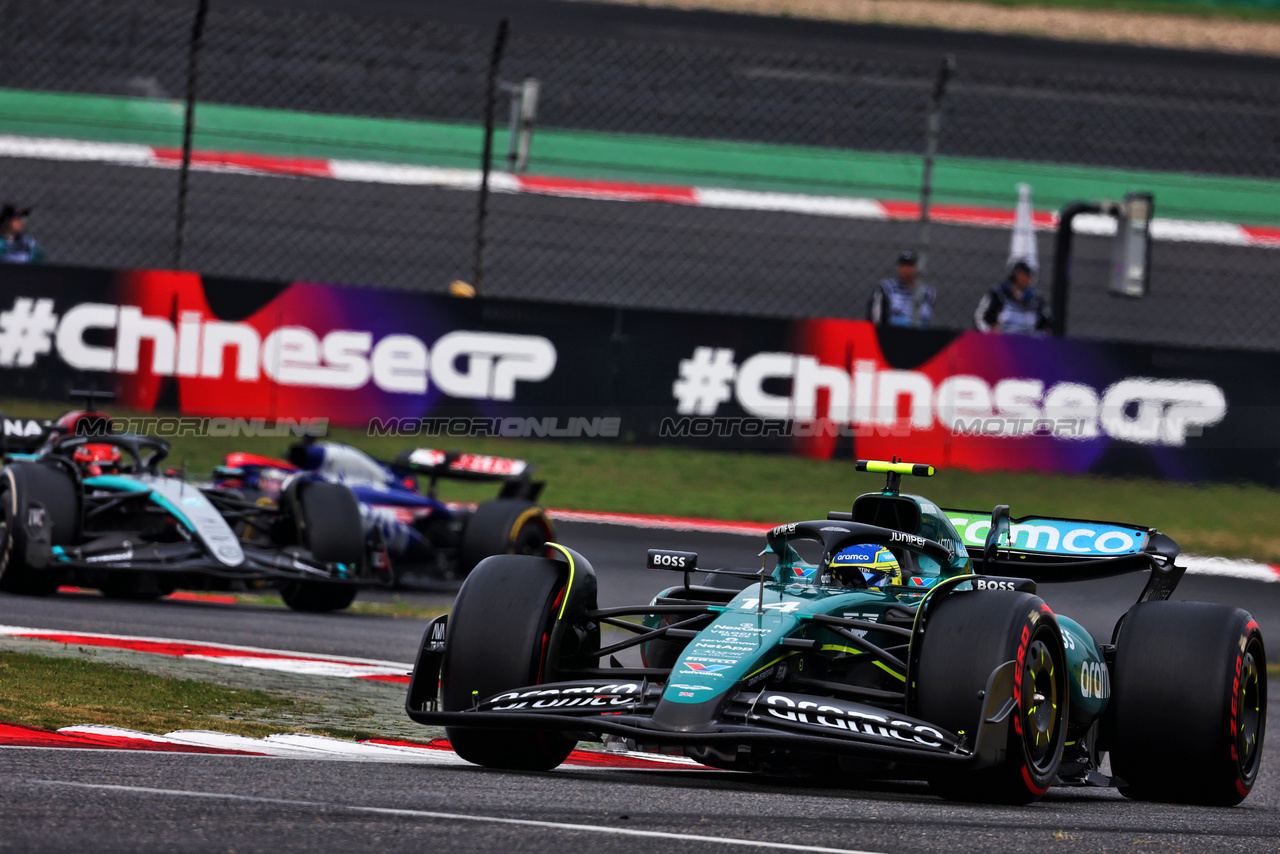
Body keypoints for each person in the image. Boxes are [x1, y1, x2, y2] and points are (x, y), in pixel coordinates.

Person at [974, 259, 1050, 335]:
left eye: (1030, 275)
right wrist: (989, 332)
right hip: (1002, 340)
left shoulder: (1036, 298)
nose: (1028, 278)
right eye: (1024, 274)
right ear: (1016, 274)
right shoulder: (999, 293)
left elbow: (1046, 323)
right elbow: (980, 316)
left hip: (1028, 342)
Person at [868, 250, 935, 328]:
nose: (906, 269)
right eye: (903, 265)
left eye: (910, 266)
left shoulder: (928, 292)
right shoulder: (887, 288)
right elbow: (876, 317)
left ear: (916, 268)